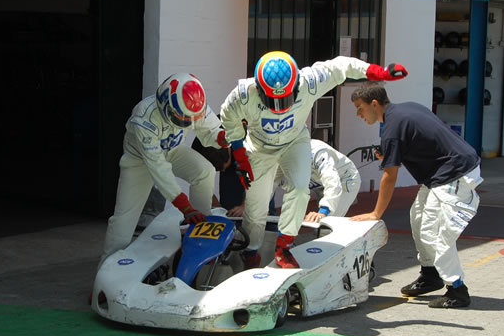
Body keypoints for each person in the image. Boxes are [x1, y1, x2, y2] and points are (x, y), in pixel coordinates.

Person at [219, 51, 407, 269]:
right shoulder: (242, 95)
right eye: (272, 99)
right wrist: (240, 155)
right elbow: (229, 120)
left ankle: (284, 245)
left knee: (299, 189)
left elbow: (341, 66)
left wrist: (377, 71)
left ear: (296, 84)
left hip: (294, 142)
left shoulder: (310, 81)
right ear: (258, 87)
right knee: (256, 204)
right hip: (259, 148)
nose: (279, 105)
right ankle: (251, 250)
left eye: (285, 98)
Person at [349, 82, 482, 308]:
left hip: (456, 173)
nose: (358, 114)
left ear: (374, 104)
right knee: (419, 219)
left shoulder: (392, 129)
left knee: (435, 233)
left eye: (360, 108)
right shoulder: (404, 110)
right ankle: (430, 275)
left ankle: (457, 290)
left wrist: (376, 213)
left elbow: (389, 177)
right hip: (439, 176)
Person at [100, 73, 228, 263]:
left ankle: (200, 233)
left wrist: (223, 138)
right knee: (123, 221)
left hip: (172, 150)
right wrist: (185, 207)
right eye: (182, 118)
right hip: (140, 161)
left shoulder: (193, 103)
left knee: (204, 171)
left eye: (190, 118)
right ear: (165, 104)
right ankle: (105, 271)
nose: (187, 122)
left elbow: (210, 130)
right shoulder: (144, 117)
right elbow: (158, 167)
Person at [274, 139, 361, 223]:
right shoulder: (278, 160)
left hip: (345, 179)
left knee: (325, 224)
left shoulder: (317, 152)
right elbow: (269, 187)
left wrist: (323, 212)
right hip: (319, 182)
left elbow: (332, 182)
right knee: (316, 224)